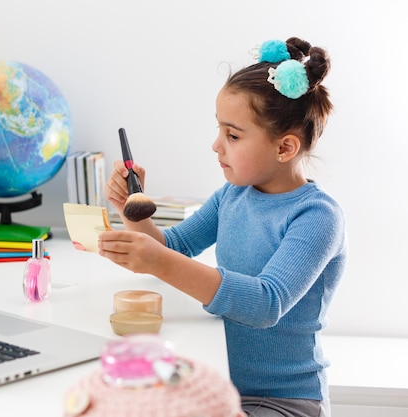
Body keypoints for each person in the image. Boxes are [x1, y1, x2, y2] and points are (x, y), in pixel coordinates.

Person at [99, 37, 347, 417]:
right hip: (222, 386)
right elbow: (175, 246)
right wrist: (131, 211)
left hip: (284, 401)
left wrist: (158, 262)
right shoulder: (233, 195)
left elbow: (266, 303)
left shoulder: (317, 217)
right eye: (219, 130)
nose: (216, 145)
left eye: (232, 135)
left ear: (285, 148)